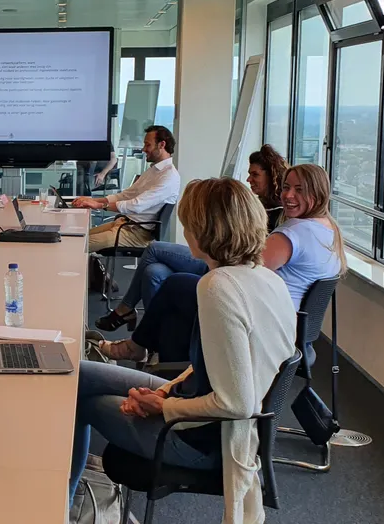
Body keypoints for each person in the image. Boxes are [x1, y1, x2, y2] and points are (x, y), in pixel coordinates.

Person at [69, 177, 296, 521]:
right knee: (77, 375)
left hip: (205, 438)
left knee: (81, 401)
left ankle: (61, 504)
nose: (185, 229)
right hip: (204, 410)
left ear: (204, 229)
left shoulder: (218, 287)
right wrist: (168, 395)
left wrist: (166, 406)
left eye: (189, 222)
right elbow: (226, 372)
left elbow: (237, 403)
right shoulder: (264, 277)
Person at [100, 163, 346, 362]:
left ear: (317, 193)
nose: (289, 195)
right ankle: (151, 352)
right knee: (156, 271)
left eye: (299, 190)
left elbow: (246, 270)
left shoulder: (294, 234)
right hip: (286, 318)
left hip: (263, 319)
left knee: (169, 276)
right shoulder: (328, 229)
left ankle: (138, 342)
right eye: (286, 187)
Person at [94, 144, 290, 331]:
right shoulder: (257, 206)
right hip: (220, 259)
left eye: (255, 174)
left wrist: (100, 204)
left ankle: (127, 312)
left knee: (154, 249)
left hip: (223, 262)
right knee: (153, 272)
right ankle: (155, 340)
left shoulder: (273, 214)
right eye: (249, 174)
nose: (249, 179)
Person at [72, 125, 180, 253]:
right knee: (77, 237)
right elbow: (126, 195)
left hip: (137, 234)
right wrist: (92, 200)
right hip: (125, 223)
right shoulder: (154, 170)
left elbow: (136, 205)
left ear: (162, 145)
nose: (144, 149)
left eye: (148, 145)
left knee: (78, 245)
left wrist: (99, 205)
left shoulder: (169, 176)